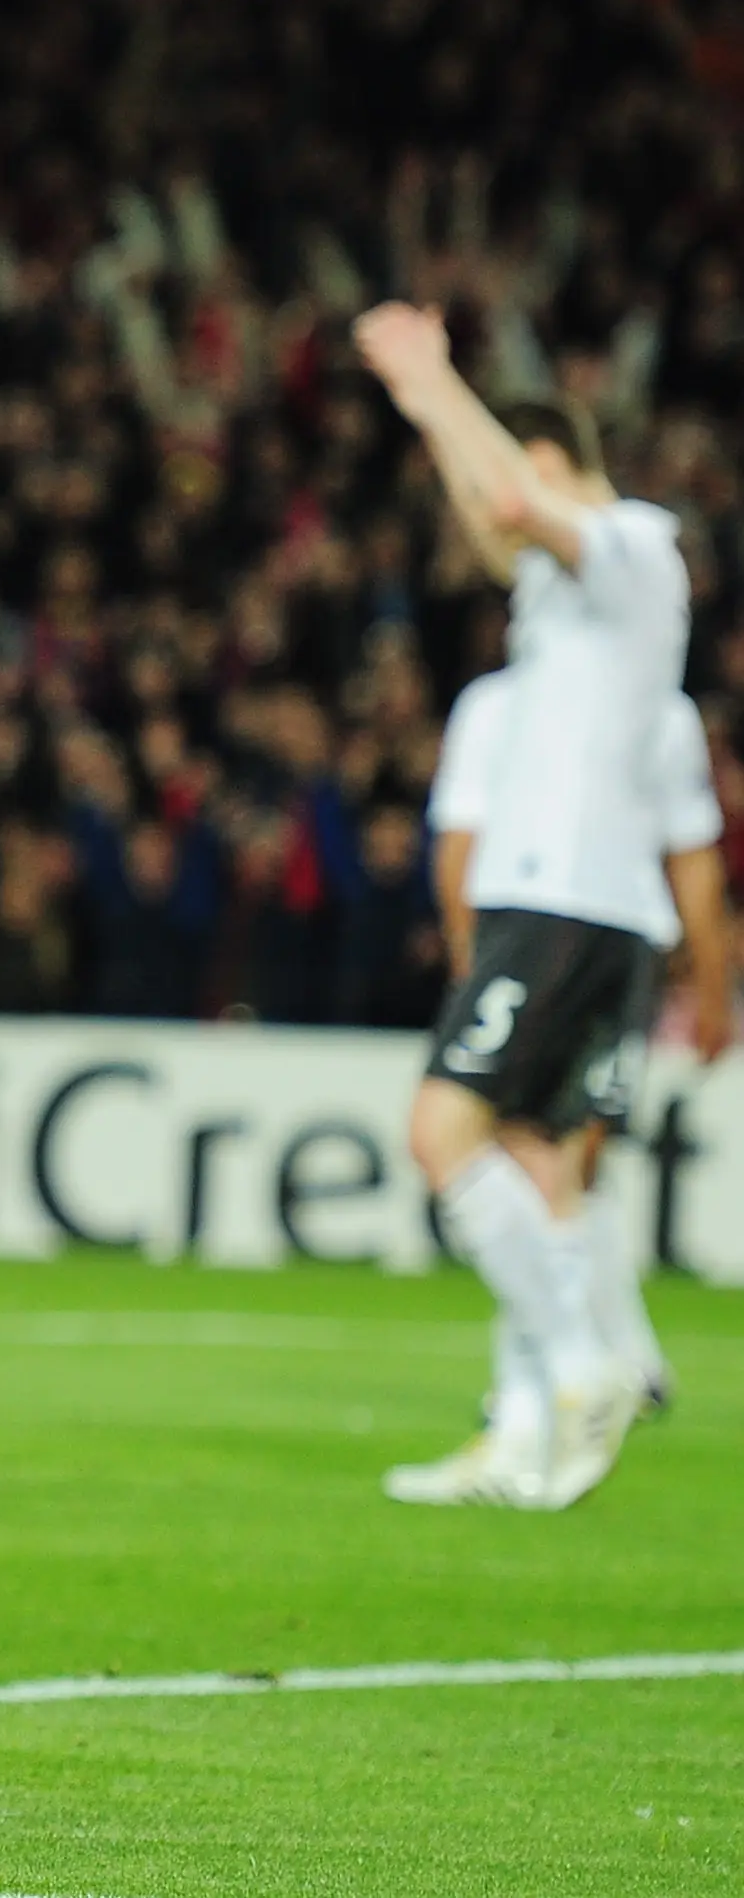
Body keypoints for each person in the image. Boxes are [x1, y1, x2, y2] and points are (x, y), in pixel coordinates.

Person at [356, 300, 698, 1510]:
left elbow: (507, 503)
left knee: (439, 1137)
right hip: (573, 909)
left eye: (534, 467)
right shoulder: (560, 614)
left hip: (561, 904)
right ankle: (534, 1427)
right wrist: (437, 420)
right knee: (540, 1165)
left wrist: (433, 381)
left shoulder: (637, 547)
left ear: (573, 472)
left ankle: (586, 1364)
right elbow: (495, 516)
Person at [406, 664, 729, 1486]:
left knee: (524, 1160)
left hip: (561, 940)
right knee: (548, 1171)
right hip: (598, 950)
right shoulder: (547, 703)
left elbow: (462, 848)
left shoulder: (599, 707)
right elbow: (691, 861)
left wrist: (716, 987)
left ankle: (569, 1382)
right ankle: (543, 1409)